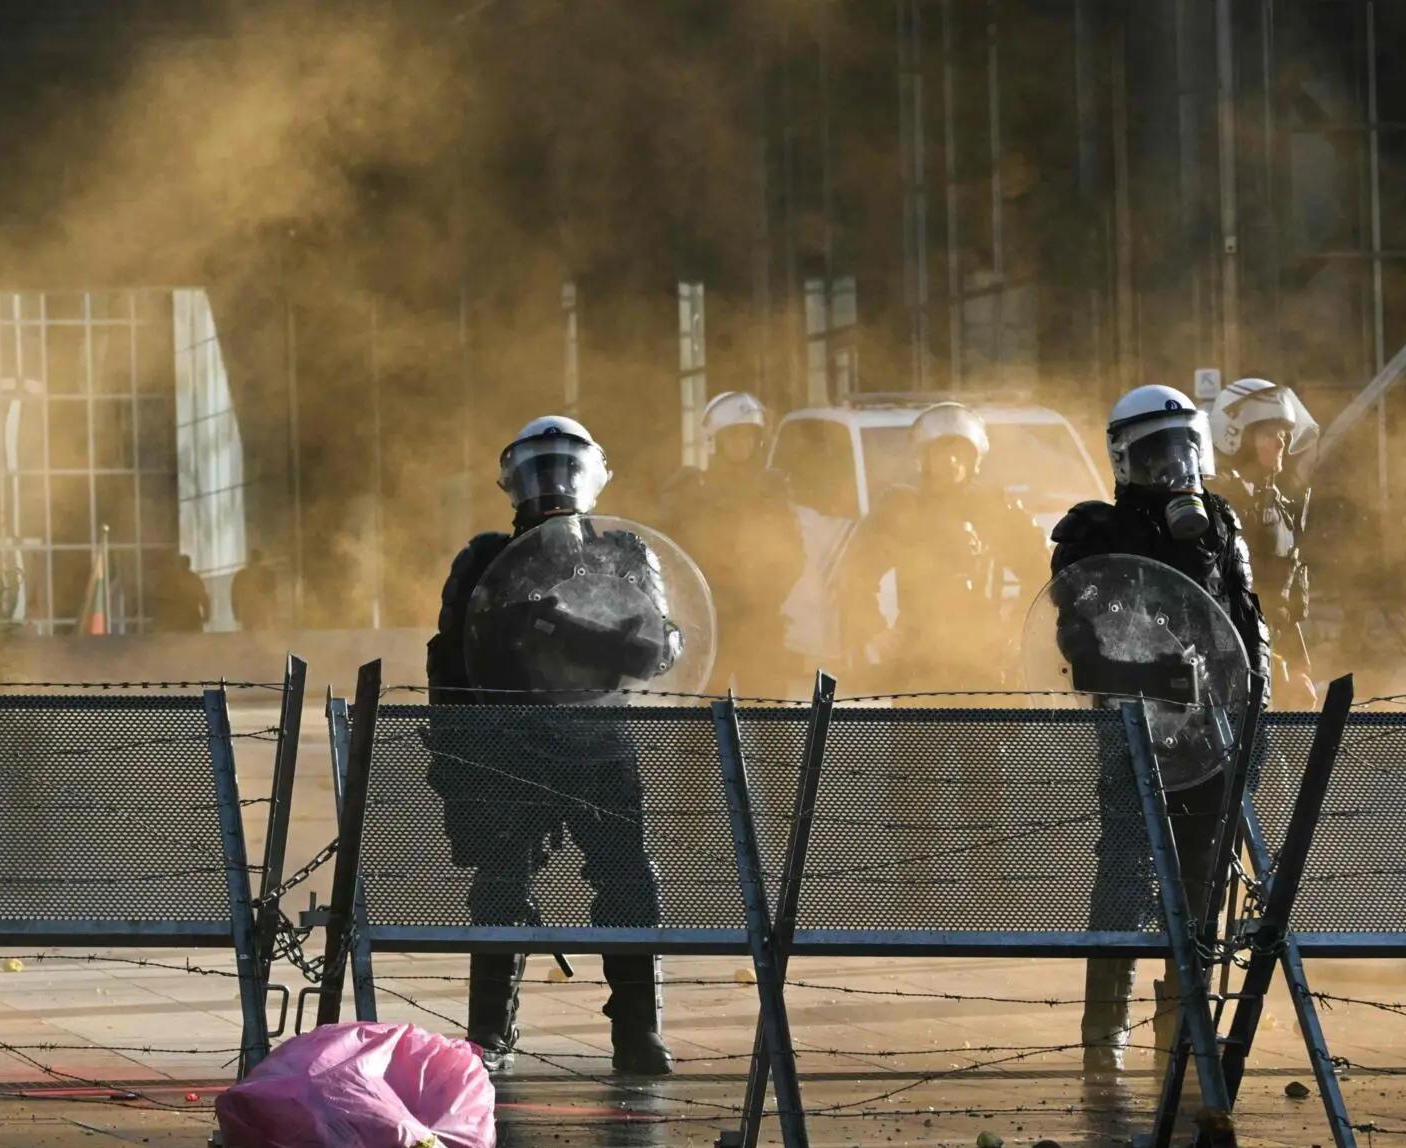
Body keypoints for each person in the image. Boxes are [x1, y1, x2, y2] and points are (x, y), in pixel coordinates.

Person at [428, 416, 677, 1077]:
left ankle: (637, 1029)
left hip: (600, 737)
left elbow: (660, 647)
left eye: (566, 466)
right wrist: (456, 756)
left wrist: (572, 628)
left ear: (592, 475)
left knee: (628, 879)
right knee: (500, 881)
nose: (553, 482)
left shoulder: (624, 553)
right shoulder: (486, 559)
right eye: (540, 468)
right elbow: (453, 659)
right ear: (513, 480)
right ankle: (489, 1030)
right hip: (512, 740)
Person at [1050, 385, 1270, 1076]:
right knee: (1125, 871)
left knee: (1205, 877)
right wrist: (1162, 681)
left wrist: (1254, 708)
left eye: (1185, 448)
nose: (1175, 464)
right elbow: (1083, 648)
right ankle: (1105, 1032)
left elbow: (1248, 623)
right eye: (1157, 451)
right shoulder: (1094, 532)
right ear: (1125, 458)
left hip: (1214, 734)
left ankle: (1183, 1029)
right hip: (1135, 734)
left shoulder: (1219, 524)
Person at [835, 402, 1047, 690]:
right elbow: (857, 571)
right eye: (942, 452)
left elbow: (1039, 569)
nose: (952, 461)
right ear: (925, 458)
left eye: (960, 452)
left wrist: (1016, 630)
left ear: (974, 459)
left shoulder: (994, 507)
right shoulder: (902, 509)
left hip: (985, 654)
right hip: (918, 654)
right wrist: (876, 630)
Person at [658, 392, 802, 695]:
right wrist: (691, 602)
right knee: (705, 714)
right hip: (707, 622)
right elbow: (665, 554)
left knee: (769, 712)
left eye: (750, 436)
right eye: (734, 436)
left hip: (760, 622)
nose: (742, 444)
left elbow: (793, 553)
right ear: (715, 440)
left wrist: (767, 598)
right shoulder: (689, 489)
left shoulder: (772, 489)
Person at [1210, 378, 1318, 709]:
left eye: (1284, 432)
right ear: (1237, 439)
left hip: (1270, 661)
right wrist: (1269, 664)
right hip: (1227, 670)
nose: (1281, 441)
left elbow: (1282, 604)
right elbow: (1219, 605)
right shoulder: (1216, 508)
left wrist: (1297, 667)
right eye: (1269, 432)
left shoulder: (1276, 506)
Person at [150, 552, 211, 632]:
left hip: (177, 623)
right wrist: (206, 615)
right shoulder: (193, 579)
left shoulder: (169, 579)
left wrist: (158, 620)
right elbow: (204, 599)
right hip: (189, 621)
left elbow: (161, 601)